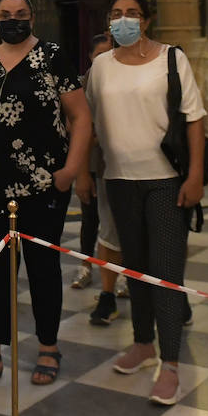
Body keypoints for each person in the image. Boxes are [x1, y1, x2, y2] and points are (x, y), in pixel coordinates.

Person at [0, 0, 91, 388]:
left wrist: (70, 170)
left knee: (42, 268)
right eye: (4, 15)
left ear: (32, 17)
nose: (12, 20)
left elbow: (80, 115)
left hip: (42, 183)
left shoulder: (52, 56)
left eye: (20, 14)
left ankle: (48, 346)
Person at [86, 0, 207, 407]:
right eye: (117, 14)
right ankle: (143, 343)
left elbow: (194, 118)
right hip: (119, 180)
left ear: (147, 21)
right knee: (134, 269)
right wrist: (85, 171)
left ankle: (170, 363)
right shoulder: (100, 67)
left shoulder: (171, 58)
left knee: (166, 272)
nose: (124, 20)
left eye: (132, 14)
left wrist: (195, 176)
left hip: (165, 181)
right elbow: (88, 122)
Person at [75, 33, 131, 324]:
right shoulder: (92, 81)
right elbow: (82, 125)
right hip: (107, 166)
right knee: (104, 226)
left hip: (143, 166)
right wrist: (81, 172)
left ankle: (158, 290)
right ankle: (106, 292)